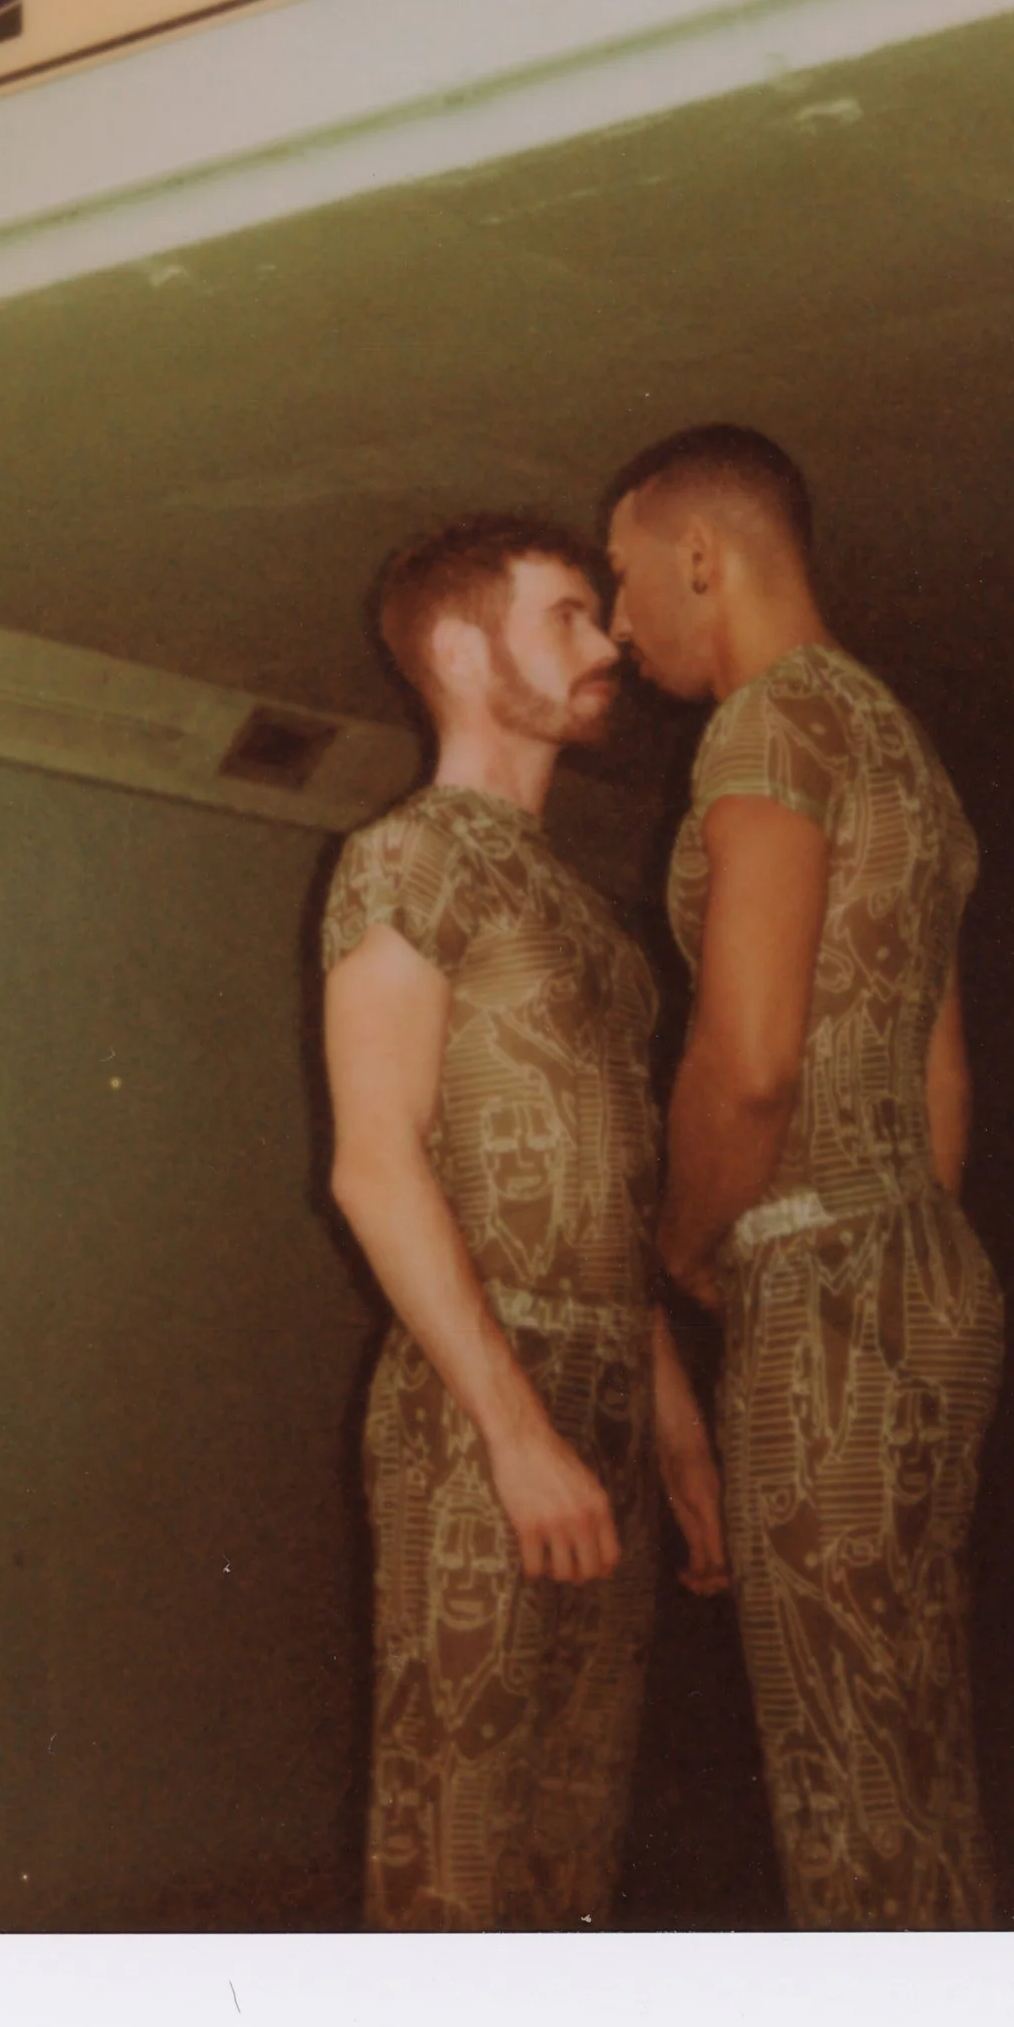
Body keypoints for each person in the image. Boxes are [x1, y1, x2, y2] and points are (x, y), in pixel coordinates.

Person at [601, 426, 1005, 1929]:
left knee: (839, 1768)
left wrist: (683, 1245)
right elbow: (938, 1081)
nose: (620, 623)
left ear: (701, 555)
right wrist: (881, 1244)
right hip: (926, 1271)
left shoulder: (763, 729)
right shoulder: (901, 741)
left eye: (624, 578)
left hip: (821, 1278)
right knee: (912, 1741)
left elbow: (750, 1056)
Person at [322, 514, 727, 1931]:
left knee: (573, 1844)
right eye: (565, 615)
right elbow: (375, 1170)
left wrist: (669, 1415)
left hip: (605, 1397)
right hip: (477, 1412)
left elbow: (607, 1185)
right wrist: (514, 1430)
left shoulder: (575, 902)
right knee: (460, 1841)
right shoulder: (402, 859)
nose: (610, 640)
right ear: (455, 648)